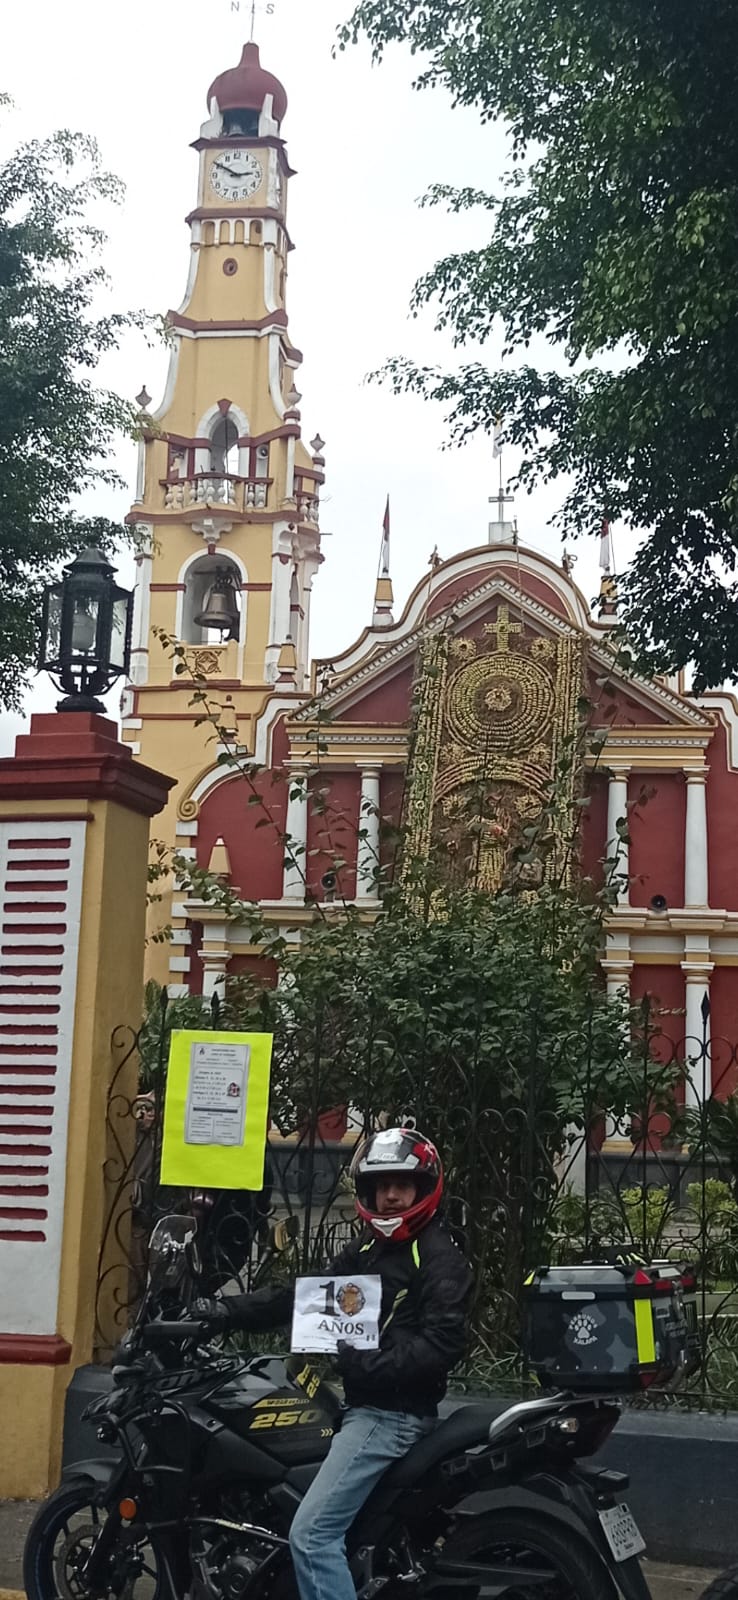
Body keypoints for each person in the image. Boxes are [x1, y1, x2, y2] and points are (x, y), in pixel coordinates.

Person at [193, 1127, 473, 1600]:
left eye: (401, 1184)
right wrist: (221, 1312)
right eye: (380, 1186)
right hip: (369, 1409)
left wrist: (367, 1365)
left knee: (312, 1535)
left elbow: (443, 1344)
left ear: (423, 1188)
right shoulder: (370, 1249)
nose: (389, 1196)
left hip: (388, 1419)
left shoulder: (438, 1256)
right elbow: (305, 1295)